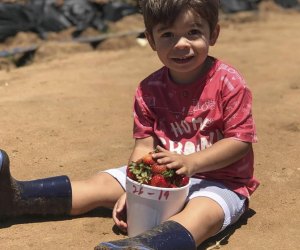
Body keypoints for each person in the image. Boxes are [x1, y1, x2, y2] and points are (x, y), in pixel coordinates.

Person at [0, 0, 260, 249]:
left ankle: (147, 246)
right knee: (100, 185)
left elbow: (240, 141)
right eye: (168, 34)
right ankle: (16, 198)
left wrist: (192, 164)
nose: (181, 44)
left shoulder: (229, 83)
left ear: (213, 34)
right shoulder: (149, 89)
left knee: (201, 214)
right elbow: (144, 146)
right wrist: (137, 190)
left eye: (193, 32)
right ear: (150, 39)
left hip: (219, 181)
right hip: (159, 176)